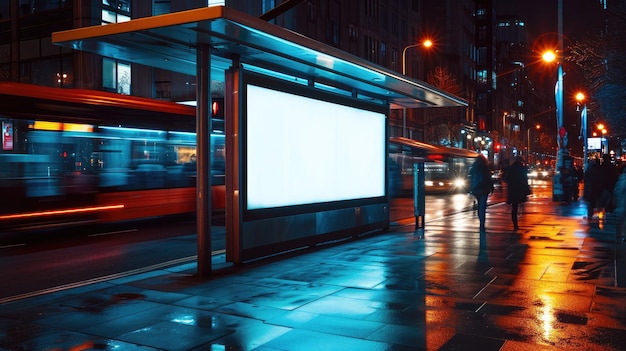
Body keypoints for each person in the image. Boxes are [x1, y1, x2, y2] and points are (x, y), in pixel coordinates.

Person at [504, 156, 530, 230]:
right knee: (519, 206)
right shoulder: (522, 169)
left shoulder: (511, 168)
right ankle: (517, 222)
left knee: (514, 208)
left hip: (513, 190)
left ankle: (515, 224)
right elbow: (525, 180)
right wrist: (527, 190)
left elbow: (507, 179)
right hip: (520, 190)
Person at [469, 155, 493, 232]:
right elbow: (489, 178)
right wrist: (491, 187)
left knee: (480, 206)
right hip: (484, 189)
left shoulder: (474, 167)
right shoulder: (485, 167)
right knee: (482, 207)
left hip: (476, 189)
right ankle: (482, 224)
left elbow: (470, 178)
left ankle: (481, 222)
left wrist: (471, 188)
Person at [613, 166, 626, 241]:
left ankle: (619, 234)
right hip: (622, 203)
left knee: (620, 220)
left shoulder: (622, 179)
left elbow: (618, 191)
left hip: (622, 203)